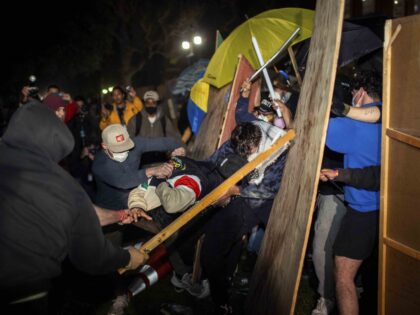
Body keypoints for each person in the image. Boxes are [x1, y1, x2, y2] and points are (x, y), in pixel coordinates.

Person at [0, 101, 148, 313]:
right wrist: (128, 257)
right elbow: (91, 256)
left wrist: (119, 215)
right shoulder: (61, 184)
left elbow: (83, 214)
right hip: (21, 290)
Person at [199, 121, 290, 314]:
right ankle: (225, 280)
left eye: (249, 151)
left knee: (211, 250)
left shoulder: (278, 147)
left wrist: (236, 190)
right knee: (222, 239)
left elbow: (268, 190)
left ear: (258, 142)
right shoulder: (241, 135)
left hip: (255, 200)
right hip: (235, 191)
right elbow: (213, 161)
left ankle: (221, 301)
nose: (245, 155)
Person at [326, 70, 382, 315]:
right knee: (376, 279)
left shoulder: (352, 126)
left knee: (344, 276)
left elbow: (311, 128)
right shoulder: (393, 117)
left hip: (363, 211)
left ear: (360, 93)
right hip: (388, 211)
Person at [92, 124, 184, 212]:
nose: (124, 152)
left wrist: (177, 147)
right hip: (112, 208)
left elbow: (164, 142)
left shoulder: (135, 144)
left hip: (137, 195)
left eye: (125, 147)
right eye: (118, 150)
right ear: (105, 146)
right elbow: (124, 181)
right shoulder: (100, 164)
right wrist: (152, 170)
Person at [136, 90, 182, 167]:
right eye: (148, 102)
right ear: (144, 103)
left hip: (162, 163)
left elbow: (174, 138)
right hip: (142, 165)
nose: (150, 105)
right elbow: (130, 141)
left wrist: (179, 150)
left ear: (157, 103)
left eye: (153, 102)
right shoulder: (136, 120)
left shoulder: (164, 120)